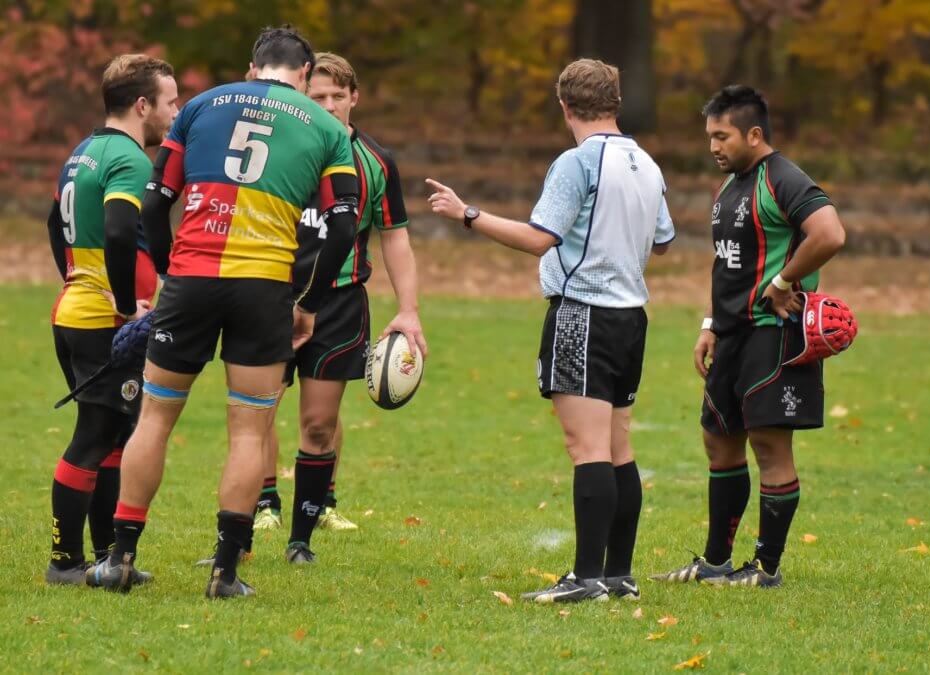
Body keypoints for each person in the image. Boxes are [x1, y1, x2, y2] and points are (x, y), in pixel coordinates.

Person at [84, 25, 360, 599]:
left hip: (192, 279)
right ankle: (225, 573)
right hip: (264, 289)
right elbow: (342, 227)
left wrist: (169, 273)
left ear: (252, 67)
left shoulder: (201, 106)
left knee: (155, 418)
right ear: (304, 74)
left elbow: (155, 204)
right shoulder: (329, 128)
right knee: (250, 428)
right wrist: (308, 303)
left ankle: (119, 559)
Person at [427, 59, 674, 603]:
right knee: (618, 445)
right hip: (631, 318)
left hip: (583, 314)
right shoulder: (646, 162)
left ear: (564, 106)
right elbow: (662, 241)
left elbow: (540, 238)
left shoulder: (577, 162)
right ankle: (618, 575)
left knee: (587, 447)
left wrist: (467, 214)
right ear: (616, 102)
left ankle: (586, 580)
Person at [651, 85, 846, 588]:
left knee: (769, 446)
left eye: (723, 136)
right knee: (719, 442)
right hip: (732, 335)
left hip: (773, 335)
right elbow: (727, 264)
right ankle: (716, 563)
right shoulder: (730, 187)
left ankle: (766, 567)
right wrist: (709, 324)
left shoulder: (783, 178)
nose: (713, 146)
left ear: (754, 134)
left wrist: (783, 282)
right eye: (709, 136)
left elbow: (829, 233)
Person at [249, 51, 426, 561]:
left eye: (337, 96)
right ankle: (262, 503)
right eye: (318, 96)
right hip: (272, 297)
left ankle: (304, 533)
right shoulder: (277, 149)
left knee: (319, 423)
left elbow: (395, 237)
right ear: (301, 96)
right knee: (257, 412)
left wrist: (409, 308)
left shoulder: (375, 161)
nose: (328, 106)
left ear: (355, 98)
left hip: (340, 303)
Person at [44, 54, 178, 585]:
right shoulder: (130, 159)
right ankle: (65, 563)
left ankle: (106, 559)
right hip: (103, 322)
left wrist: (76, 279)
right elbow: (121, 231)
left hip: (75, 313)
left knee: (115, 437)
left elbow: (53, 223)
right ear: (142, 105)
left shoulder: (83, 153)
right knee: (94, 436)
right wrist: (124, 304)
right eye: (170, 102)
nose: (175, 112)